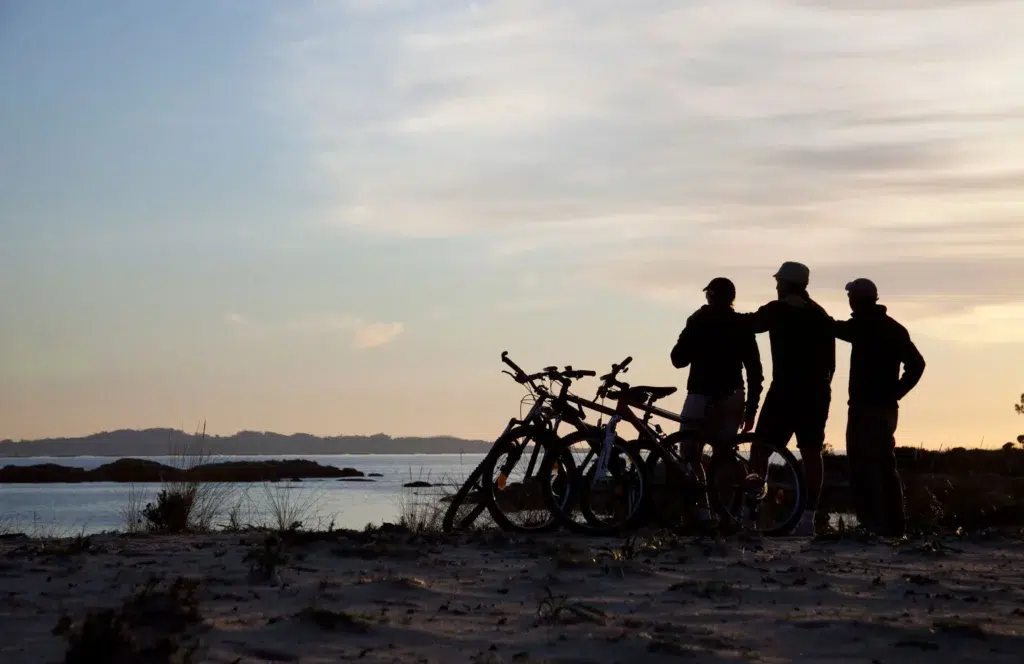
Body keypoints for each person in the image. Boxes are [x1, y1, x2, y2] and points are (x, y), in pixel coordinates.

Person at [738, 261, 836, 536]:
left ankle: (750, 512)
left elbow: (750, 324)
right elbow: (831, 363)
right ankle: (807, 519)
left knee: (760, 449)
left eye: (779, 282)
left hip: (784, 390)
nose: (777, 286)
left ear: (785, 284)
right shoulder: (819, 313)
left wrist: (722, 315)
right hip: (816, 392)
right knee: (811, 452)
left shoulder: (777, 309)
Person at [833, 278, 925, 538]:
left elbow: (835, 328)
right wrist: (896, 392)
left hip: (865, 407)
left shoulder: (864, 326)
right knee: (885, 466)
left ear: (856, 299)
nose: (849, 301)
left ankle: (872, 524)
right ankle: (894, 526)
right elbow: (917, 364)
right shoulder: (893, 328)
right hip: (886, 408)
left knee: (862, 467)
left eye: (850, 296)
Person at [670, 277, 764, 525]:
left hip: (700, 394)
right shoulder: (741, 324)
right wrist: (751, 408)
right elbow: (755, 370)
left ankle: (703, 513)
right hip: (733, 395)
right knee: (724, 456)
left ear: (710, 296)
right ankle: (728, 514)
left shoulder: (699, 321)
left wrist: (690, 328)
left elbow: (678, 359)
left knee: (690, 453)